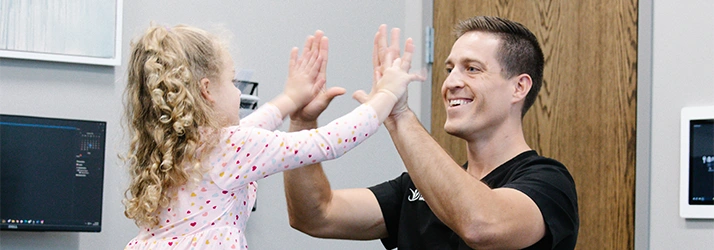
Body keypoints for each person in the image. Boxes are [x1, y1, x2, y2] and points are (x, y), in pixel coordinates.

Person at [284, 16, 579, 249]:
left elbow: (480, 225)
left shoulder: (549, 183)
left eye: (472, 69)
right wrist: (301, 126)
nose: (451, 82)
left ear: (519, 87)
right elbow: (315, 215)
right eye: (450, 69)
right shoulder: (417, 187)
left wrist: (398, 114)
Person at [121, 23, 423, 249]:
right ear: (206, 90)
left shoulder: (178, 151)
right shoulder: (229, 147)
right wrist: (387, 94)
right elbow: (329, 141)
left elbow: (253, 127)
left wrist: (292, 98)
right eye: (232, 81)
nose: (238, 91)